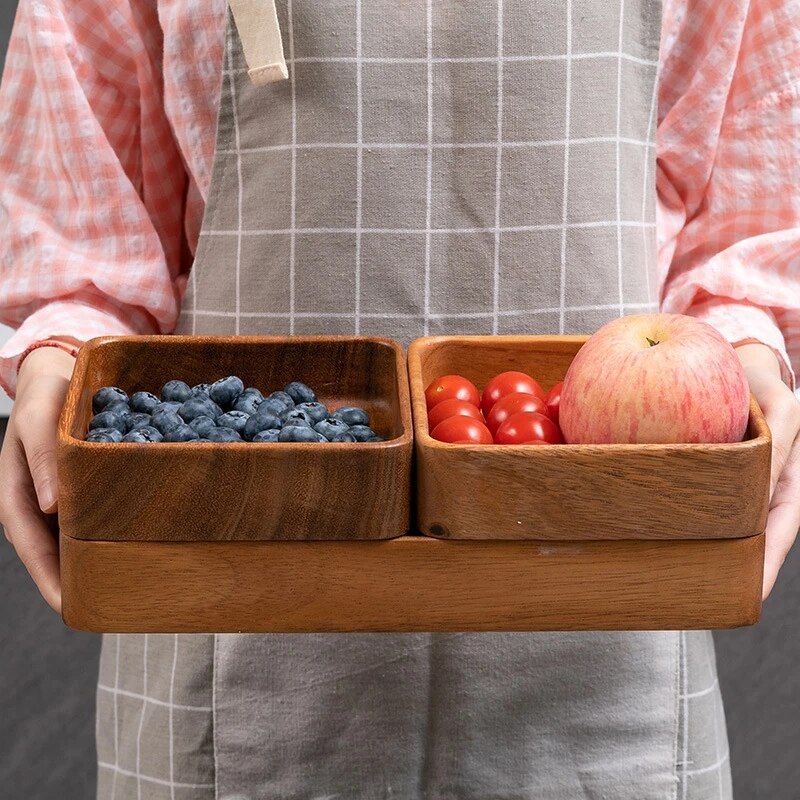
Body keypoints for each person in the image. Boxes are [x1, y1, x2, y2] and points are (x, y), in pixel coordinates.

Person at [1, 0, 799, 797]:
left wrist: (751, 359)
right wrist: (57, 362)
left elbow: (745, 226)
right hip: (225, 614)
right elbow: (79, 221)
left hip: (617, 638)